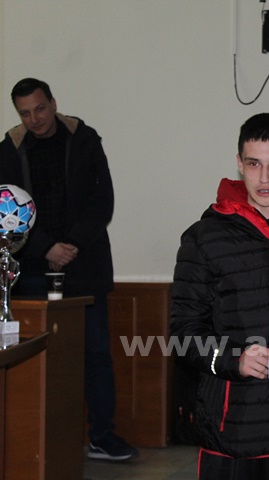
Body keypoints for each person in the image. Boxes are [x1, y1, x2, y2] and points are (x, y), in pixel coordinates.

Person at [170, 113, 269, 479]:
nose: (265, 178)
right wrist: (233, 359)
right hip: (232, 434)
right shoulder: (204, 237)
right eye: (254, 164)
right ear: (240, 164)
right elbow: (182, 334)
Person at [0, 78, 138, 461]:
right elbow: (7, 210)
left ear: (53, 103)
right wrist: (46, 247)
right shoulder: (9, 149)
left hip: (85, 265)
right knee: (32, 357)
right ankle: (35, 443)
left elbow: (102, 199)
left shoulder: (85, 139)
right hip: (30, 269)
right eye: (25, 113)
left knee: (96, 354)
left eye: (40, 109)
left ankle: (102, 437)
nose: (34, 119)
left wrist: (71, 245)